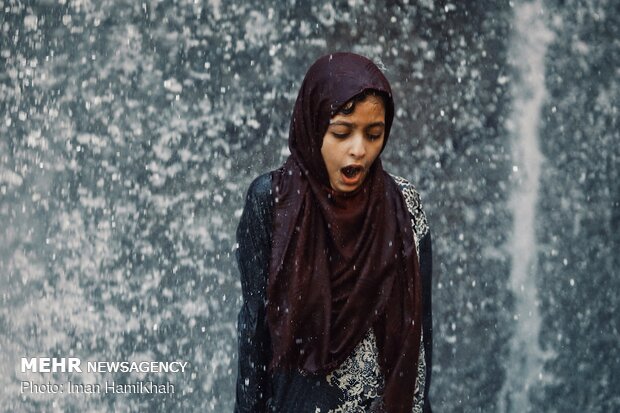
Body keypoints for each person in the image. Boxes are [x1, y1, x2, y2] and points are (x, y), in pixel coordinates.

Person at [234, 52, 433, 413]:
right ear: (313, 126)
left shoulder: (404, 205)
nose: (359, 150)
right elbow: (255, 331)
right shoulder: (271, 201)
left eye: (374, 134)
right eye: (342, 132)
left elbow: (419, 338)